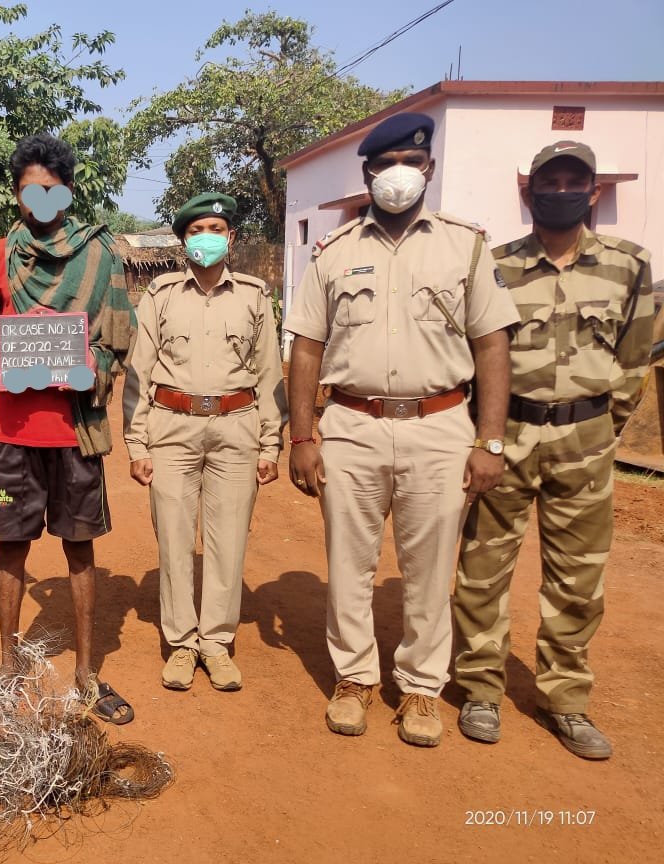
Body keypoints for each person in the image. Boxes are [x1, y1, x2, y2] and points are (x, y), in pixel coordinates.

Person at [285, 112, 519, 747]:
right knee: (348, 562)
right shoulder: (334, 252)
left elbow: (492, 345)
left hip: (440, 426)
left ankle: (420, 687)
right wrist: (302, 437)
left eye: (411, 164)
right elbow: (306, 347)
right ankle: (354, 677)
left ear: (429, 169)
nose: (398, 175)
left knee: (430, 567)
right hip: (352, 426)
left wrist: (490, 440)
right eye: (385, 165)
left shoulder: (466, 246)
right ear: (366, 174)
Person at [453, 141, 654, 760]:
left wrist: (599, 427)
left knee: (577, 578)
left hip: (585, 440)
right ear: (529, 191)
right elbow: (474, 356)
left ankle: (565, 699)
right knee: (483, 569)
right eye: (549, 182)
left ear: (593, 191)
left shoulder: (629, 264)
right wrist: (483, 435)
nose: (561, 191)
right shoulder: (496, 266)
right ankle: (480, 689)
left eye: (574, 182)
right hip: (506, 434)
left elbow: (635, 358)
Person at [0, 133, 136, 724]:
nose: (39, 201)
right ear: (16, 194)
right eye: (28, 191)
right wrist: (4, 351)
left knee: (79, 547)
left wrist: (86, 360)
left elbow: (118, 337)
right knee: (11, 545)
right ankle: (9, 671)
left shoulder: (99, 255)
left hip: (75, 429)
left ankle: (86, 674)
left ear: (68, 192)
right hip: (14, 431)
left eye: (51, 190)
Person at [122, 193, 286, 691]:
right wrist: (137, 445)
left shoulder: (254, 295)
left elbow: (269, 373)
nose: (206, 238)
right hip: (172, 428)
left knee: (228, 541)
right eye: (196, 231)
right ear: (183, 240)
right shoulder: (160, 295)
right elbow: (138, 372)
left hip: (237, 427)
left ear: (230, 238)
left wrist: (270, 444)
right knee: (173, 538)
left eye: (215, 229)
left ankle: (215, 642)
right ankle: (181, 642)